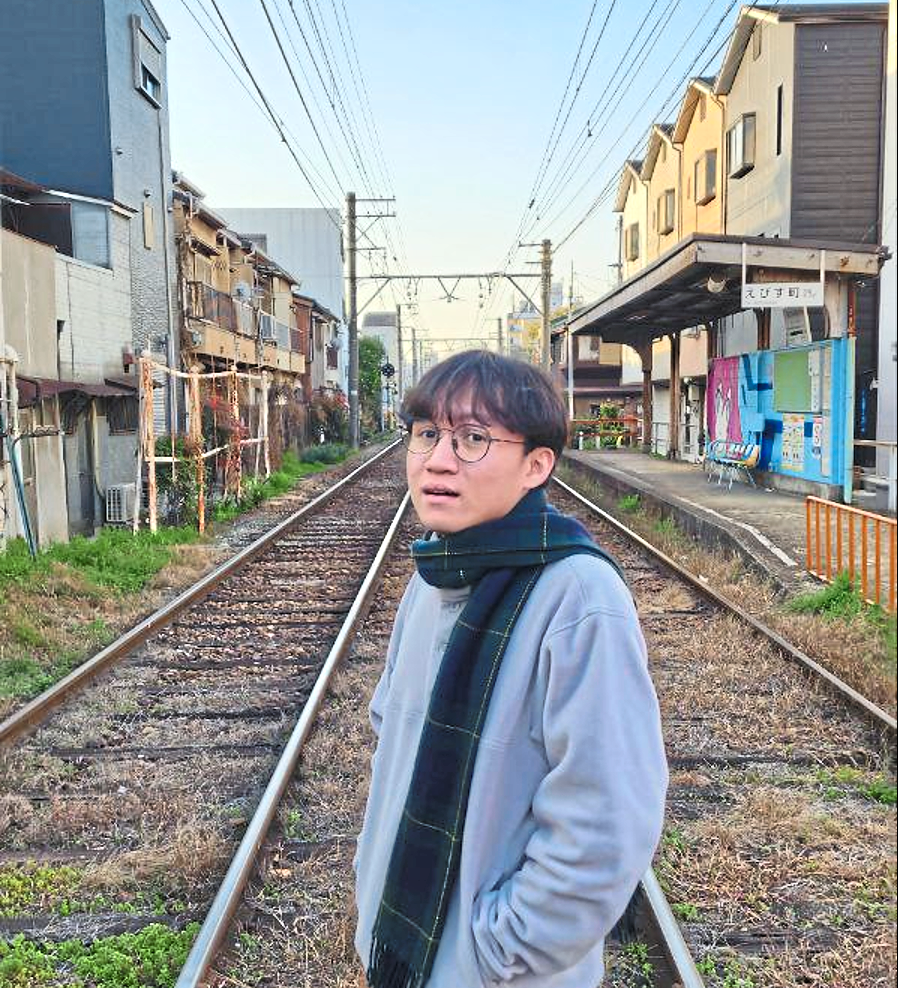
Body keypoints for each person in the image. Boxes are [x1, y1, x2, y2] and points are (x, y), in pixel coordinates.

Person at [354, 350, 667, 988]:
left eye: (473, 438)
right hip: (403, 952)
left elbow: (606, 823)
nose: (439, 459)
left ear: (536, 465)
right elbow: (392, 737)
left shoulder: (578, 598)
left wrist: (495, 954)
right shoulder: (433, 576)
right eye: (426, 435)